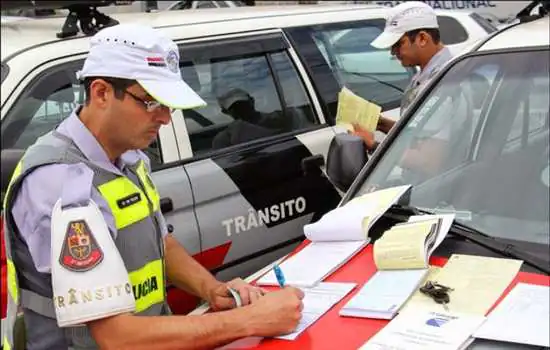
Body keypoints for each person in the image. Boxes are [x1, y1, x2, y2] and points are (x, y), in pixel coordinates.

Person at [2, 23, 304, 350]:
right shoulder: (62, 183)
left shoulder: (128, 156)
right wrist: (250, 320)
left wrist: (209, 288)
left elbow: (158, 240)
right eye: (151, 102)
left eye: (169, 105)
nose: (165, 118)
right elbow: (116, 336)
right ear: (101, 92)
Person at [352, 1, 454, 152]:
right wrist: (381, 124)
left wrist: (373, 145)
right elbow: (419, 132)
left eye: (398, 44)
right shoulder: (427, 74)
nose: (393, 52)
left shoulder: (444, 84)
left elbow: (430, 161)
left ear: (422, 39)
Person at [212, 88, 289, 149]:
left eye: (243, 104)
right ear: (225, 112)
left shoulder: (277, 119)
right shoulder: (224, 139)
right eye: (235, 107)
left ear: (252, 101)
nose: (241, 109)